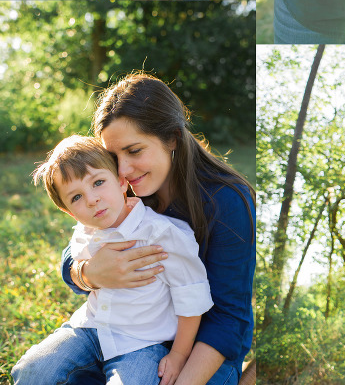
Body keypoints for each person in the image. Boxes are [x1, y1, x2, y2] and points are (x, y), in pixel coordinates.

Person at [53, 73, 257, 385]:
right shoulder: (122, 187)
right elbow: (76, 250)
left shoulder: (227, 202)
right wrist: (89, 273)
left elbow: (229, 319)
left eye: (134, 151)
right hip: (129, 336)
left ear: (172, 138)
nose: (122, 170)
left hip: (202, 348)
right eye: (113, 156)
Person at [12, 135, 213, 385]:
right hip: (89, 329)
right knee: (32, 371)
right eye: (76, 197)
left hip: (142, 343)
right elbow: (77, 268)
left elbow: (191, 298)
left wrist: (179, 355)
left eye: (98, 182)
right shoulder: (85, 232)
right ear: (68, 211)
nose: (91, 199)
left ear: (120, 181)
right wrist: (86, 274)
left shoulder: (162, 234)